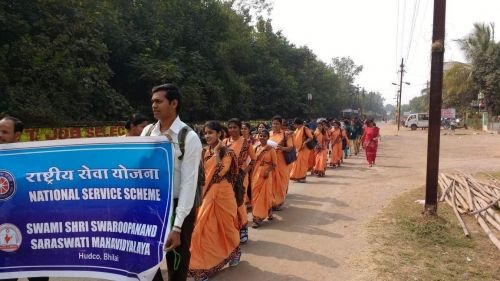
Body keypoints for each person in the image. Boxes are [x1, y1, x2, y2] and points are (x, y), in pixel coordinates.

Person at [141, 84, 203, 281]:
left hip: (177, 207)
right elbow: (139, 167)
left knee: (177, 265)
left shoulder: (189, 137)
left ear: (174, 103)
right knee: (145, 260)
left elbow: (188, 184)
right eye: (152, 102)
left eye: (159, 101)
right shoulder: (148, 132)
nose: (154, 105)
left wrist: (177, 227)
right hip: (152, 205)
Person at [189, 121, 241, 281]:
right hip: (207, 193)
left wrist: (218, 154)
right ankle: (201, 266)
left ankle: (234, 251)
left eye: (210, 132)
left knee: (226, 228)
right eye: (205, 133)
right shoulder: (204, 152)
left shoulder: (228, 152)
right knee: (203, 230)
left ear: (219, 133)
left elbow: (220, 172)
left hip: (222, 194)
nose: (207, 136)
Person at [0, 116, 49, 281]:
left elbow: (43, 191)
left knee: (37, 277)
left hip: (30, 231)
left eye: (4, 132)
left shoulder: (31, 161)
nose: (0, 135)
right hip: (3, 232)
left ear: (17, 135)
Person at [222, 118, 256, 244]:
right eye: (230, 127)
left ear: (239, 128)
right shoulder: (225, 142)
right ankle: (232, 228)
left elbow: (253, 160)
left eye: (235, 127)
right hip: (226, 178)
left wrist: (244, 171)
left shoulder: (246, 143)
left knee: (240, 202)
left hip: (241, 178)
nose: (232, 130)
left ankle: (243, 228)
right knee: (229, 203)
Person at [251, 129, 276, 228]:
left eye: (264, 136)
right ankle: (269, 210)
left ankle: (258, 218)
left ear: (267, 138)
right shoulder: (256, 148)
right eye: (260, 136)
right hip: (256, 173)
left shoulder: (271, 149)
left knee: (264, 194)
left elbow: (274, 164)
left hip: (266, 174)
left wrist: (267, 171)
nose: (262, 138)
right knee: (256, 194)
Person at [270, 116, 293, 210]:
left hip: (281, 162)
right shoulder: (268, 133)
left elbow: (291, 147)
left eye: (277, 123)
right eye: (273, 123)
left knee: (281, 181)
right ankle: (271, 201)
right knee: (271, 182)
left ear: (280, 125)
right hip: (270, 161)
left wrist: (281, 148)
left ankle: (278, 202)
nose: (275, 125)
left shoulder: (286, 134)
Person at [289, 118, 313, 182]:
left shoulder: (305, 128)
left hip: (304, 149)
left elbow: (311, 137)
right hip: (298, 149)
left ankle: (303, 177)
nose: (294, 125)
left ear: (298, 124)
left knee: (303, 163)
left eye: (295, 124)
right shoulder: (297, 129)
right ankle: (298, 176)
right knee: (297, 162)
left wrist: (304, 143)